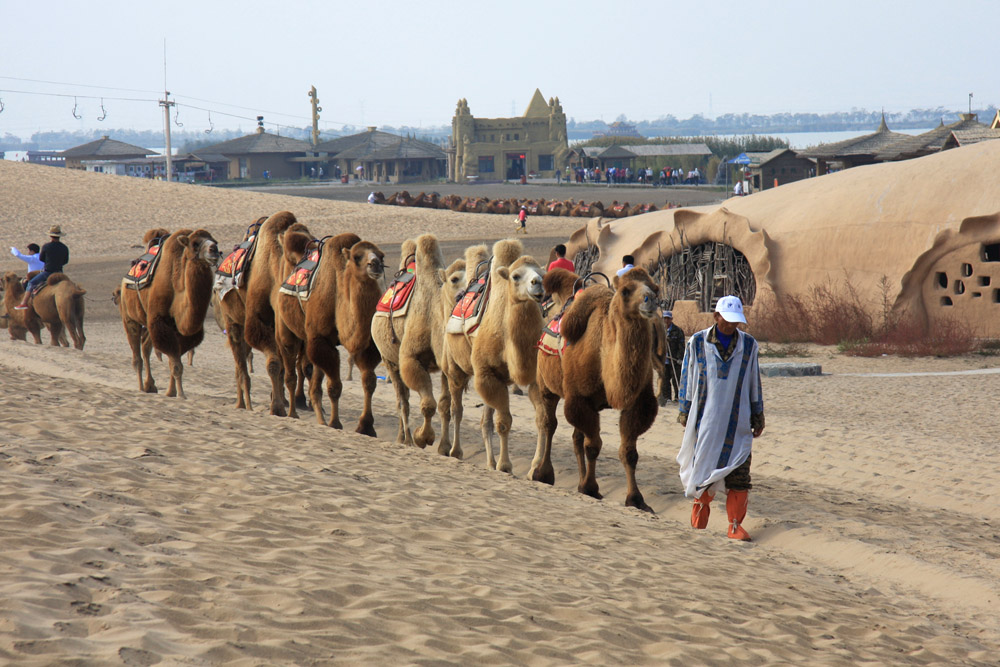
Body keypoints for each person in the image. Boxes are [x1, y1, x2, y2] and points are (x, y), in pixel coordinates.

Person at [676, 295, 764, 541]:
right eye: (727, 321)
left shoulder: (749, 345)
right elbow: (687, 376)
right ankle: (699, 519)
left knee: (740, 473)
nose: (732, 326)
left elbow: (754, 380)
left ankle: (735, 525)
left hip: (738, 421)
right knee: (703, 469)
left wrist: (758, 413)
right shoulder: (697, 342)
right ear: (716, 317)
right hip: (707, 420)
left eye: (736, 322)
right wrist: (684, 409)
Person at [15, 226, 69, 310]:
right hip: (59, 273)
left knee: (31, 283)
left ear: (50, 236)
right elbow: (65, 261)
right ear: (59, 236)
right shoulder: (64, 248)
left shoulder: (46, 246)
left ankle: (24, 303)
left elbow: (41, 259)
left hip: (48, 272)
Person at [662, 310, 685, 402]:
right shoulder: (659, 330)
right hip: (664, 359)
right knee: (664, 379)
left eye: (668, 318)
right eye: (664, 318)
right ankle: (666, 397)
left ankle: (677, 397)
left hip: (675, 359)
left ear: (671, 319)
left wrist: (680, 358)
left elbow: (681, 346)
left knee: (676, 379)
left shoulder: (678, 331)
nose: (666, 320)